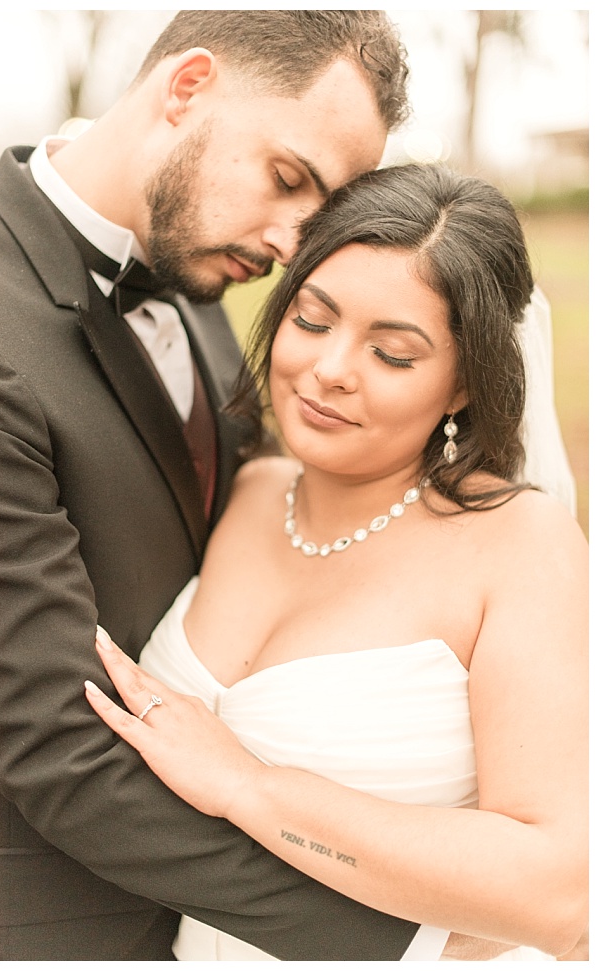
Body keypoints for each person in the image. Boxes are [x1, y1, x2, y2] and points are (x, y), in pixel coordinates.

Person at [0, 10, 429, 961]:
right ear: (186, 88)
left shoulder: (199, 277)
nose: (296, 244)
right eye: (289, 180)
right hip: (62, 927)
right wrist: (404, 940)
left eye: (321, 210)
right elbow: (52, 738)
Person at [84, 163, 587, 961]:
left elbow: (559, 892)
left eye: (392, 354)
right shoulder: (247, 490)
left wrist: (252, 788)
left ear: (462, 384)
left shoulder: (522, 544)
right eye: (313, 321)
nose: (330, 369)